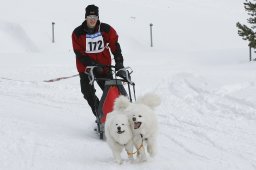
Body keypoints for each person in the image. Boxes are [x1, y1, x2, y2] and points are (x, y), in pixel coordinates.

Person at [72, 4, 126, 117]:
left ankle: (118, 117)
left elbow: (114, 45)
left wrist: (119, 63)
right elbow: (79, 53)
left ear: (98, 18)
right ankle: (100, 115)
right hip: (86, 68)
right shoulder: (77, 33)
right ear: (86, 17)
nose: (92, 20)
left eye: (95, 18)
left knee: (111, 92)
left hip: (104, 67)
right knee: (87, 92)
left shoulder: (106, 29)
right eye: (90, 17)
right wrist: (92, 64)